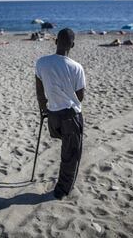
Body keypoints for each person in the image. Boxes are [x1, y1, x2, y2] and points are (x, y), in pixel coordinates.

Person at [35, 28, 86, 200]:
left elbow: (39, 91)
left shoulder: (41, 62)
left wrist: (44, 109)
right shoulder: (76, 67)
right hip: (70, 117)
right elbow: (80, 97)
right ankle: (63, 190)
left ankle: (63, 185)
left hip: (53, 116)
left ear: (56, 42)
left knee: (66, 147)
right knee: (71, 155)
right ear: (72, 45)